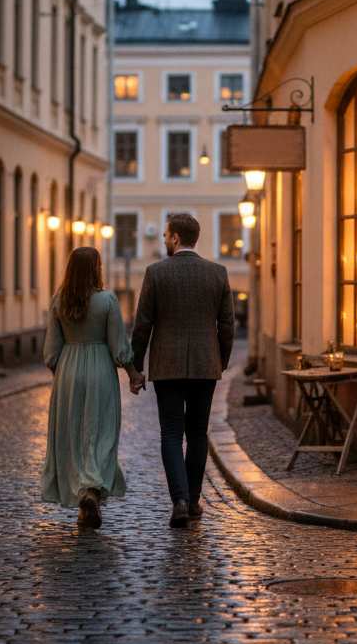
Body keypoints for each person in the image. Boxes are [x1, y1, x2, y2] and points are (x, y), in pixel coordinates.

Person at [130, 213, 235, 528]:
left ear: (175, 238)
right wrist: (222, 361)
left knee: (172, 433)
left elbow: (143, 323)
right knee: (198, 433)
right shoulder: (217, 273)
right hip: (206, 365)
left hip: (167, 365)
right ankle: (193, 499)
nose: (163, 240)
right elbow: (227, 324)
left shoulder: (156, 273)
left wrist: (136, 366)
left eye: (165, 235)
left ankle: (179, 500)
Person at [42, 246, 145, 528]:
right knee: (101, 436)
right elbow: (119, 346)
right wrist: (134, 375)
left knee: (74, 438)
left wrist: (64, 373)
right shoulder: (108, 301)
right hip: (101, 372)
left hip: (68, 372)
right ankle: (91, 491)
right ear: (96, 269)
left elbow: (50, 354)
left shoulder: (58, 301)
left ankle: (83, 495)